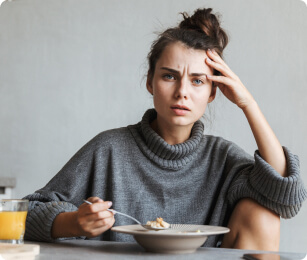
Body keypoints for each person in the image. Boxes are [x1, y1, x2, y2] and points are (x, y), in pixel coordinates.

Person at [24, 7, 306, 250]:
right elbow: (21, 215)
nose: (182, 91)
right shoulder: (109, 149)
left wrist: (249, 104)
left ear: (213, 92)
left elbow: (286, 200)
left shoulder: (223, 158)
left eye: (197, 81)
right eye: (169, 76)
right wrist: (72, 222)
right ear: (150, 82)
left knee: (264, 210)